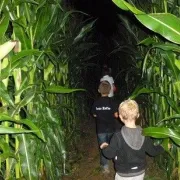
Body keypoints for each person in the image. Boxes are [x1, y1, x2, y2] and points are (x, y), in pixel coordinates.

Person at [100, 99, 166, 180]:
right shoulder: (144, 134)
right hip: (139, 173)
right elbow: (153, 151)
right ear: (138, 115)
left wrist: (104, 147)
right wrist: (163, 146)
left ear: (120, 117)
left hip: (123, 174)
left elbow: (109, 154)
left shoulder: (117, 136)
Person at [91, 81, 118, 174]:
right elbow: (116, 115)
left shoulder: (96, 102)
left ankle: (105, 167)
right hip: (111, 128)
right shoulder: (112, 102)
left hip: (101, 130)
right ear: (110, 90)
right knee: (113, 146)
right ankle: (117, 163)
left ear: (99, 90)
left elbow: (94, 114)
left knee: (103, 147)